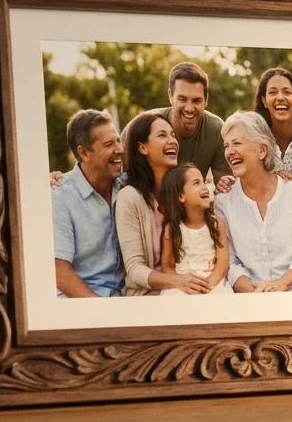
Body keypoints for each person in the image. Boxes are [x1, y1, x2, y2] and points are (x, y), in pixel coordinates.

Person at [48, 61, 233, 191]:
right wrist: (66, 180)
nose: (190, 108)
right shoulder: (143, 126)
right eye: (182, 99)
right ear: (170, 96)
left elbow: (223, 187)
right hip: (144, 204)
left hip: (184, 208)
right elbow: (106, 166)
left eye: (197, 100)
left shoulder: (217, 129)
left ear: (206, 100)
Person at [214, 111, 292, 292]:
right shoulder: (223, 201)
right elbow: (229, 261)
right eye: (226, 145)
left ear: (262, 150)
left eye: (237, 143)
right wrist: (250, 290)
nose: (230, 152)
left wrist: (280, 284)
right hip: (250, 297)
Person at [114, 111, 211, 296]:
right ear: (142, 148)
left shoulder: (183, 192)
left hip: (191, 288)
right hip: (149, 295)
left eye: (173, 135)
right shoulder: (130, 197)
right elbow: (135, 269)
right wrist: (178, 281)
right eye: (162, 135)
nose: (172, 140)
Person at [52, 109, 126, 297]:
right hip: (81, 302)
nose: (119, 149)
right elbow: (60, 272)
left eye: (118, 140)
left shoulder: (127, 185)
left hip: (125, 298)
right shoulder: (60, 196)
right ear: (84, 153)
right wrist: (100, 312)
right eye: (109, 144)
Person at [157, 163, 232, 295]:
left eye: (204, 182)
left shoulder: (217, 224)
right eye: (197, 183)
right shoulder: (172, 229)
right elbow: (167, 266)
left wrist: (209, 284)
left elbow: (223, 262)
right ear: (181, 196)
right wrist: (182, 283)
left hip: (211, 282)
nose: (204, 187)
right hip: (182, 284)